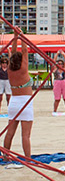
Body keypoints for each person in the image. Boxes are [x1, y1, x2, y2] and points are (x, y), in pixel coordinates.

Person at [4, 31, 34, 159]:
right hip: (25, 102)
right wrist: (21, 36)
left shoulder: (10, 70)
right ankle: (28, 158)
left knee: (10, 132)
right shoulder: (23, 68)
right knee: (25, 135)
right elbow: (25, 50)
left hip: (14, 102)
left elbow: (16, 51)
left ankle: (5, 155)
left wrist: (16, 37)